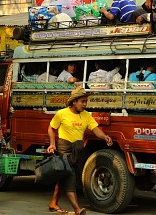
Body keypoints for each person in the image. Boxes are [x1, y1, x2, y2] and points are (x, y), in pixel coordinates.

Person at [46, 87, 113, 215]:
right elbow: (51, 128)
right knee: (70, 176)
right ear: (74, 102)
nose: (85, 104)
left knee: (63, 177)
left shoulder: (86, 115)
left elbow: (96, 129)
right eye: (82, 101)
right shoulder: (62, 113)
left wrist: (105, 137)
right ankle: (77, 209)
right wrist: (52, 144)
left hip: (77, 150)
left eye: (85, 101)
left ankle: (53, 203)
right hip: (63, 149)